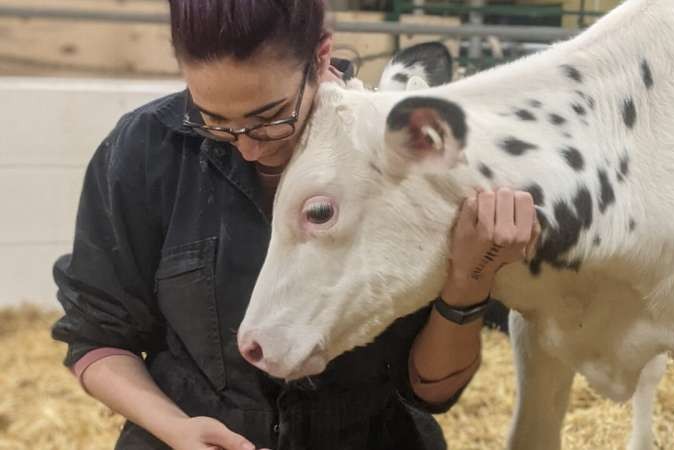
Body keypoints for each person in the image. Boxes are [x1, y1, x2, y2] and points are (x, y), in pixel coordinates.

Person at [51, 1, 538, 449]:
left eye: (269, 117)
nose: (247, 147)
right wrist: (176, 427)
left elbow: (431, 391)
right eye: (213, 119)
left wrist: (472, 277)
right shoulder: (146, 149)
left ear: (321, 57)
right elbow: (97, 338)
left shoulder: (405, 153)